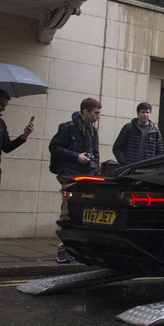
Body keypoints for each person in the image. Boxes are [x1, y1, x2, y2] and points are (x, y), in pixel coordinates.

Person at [49, 97, 101, 263]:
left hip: (87, 178)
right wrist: (76, 156)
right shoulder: (67, 127)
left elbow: (96, 153)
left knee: (85, 215)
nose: (98, 116)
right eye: (96, 113)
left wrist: (96, 171)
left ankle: (77, 249)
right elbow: (54, 147)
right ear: (85, 112)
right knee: (67, 213)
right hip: (69, 176)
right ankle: (62, 250)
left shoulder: (93, 130)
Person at [0, 89, 33, 267]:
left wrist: (24, 136)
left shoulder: (0, 123)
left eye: (5, 106)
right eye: (0, 105)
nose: (3, 109)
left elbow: (6, 147)